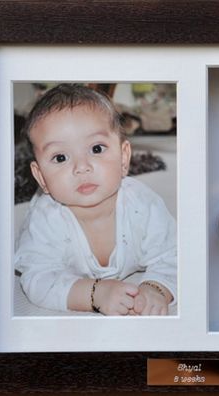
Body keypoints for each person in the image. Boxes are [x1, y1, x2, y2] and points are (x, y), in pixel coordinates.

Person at [15, 84, 177, 316]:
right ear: (40, 177)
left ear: (124, 158)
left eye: (97, 148)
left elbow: (175, 255)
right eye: (60, 157)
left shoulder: (143, 205)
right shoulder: (45, 220)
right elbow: (38, 278)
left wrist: (155, 288)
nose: (82, 167)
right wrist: (94, 293)